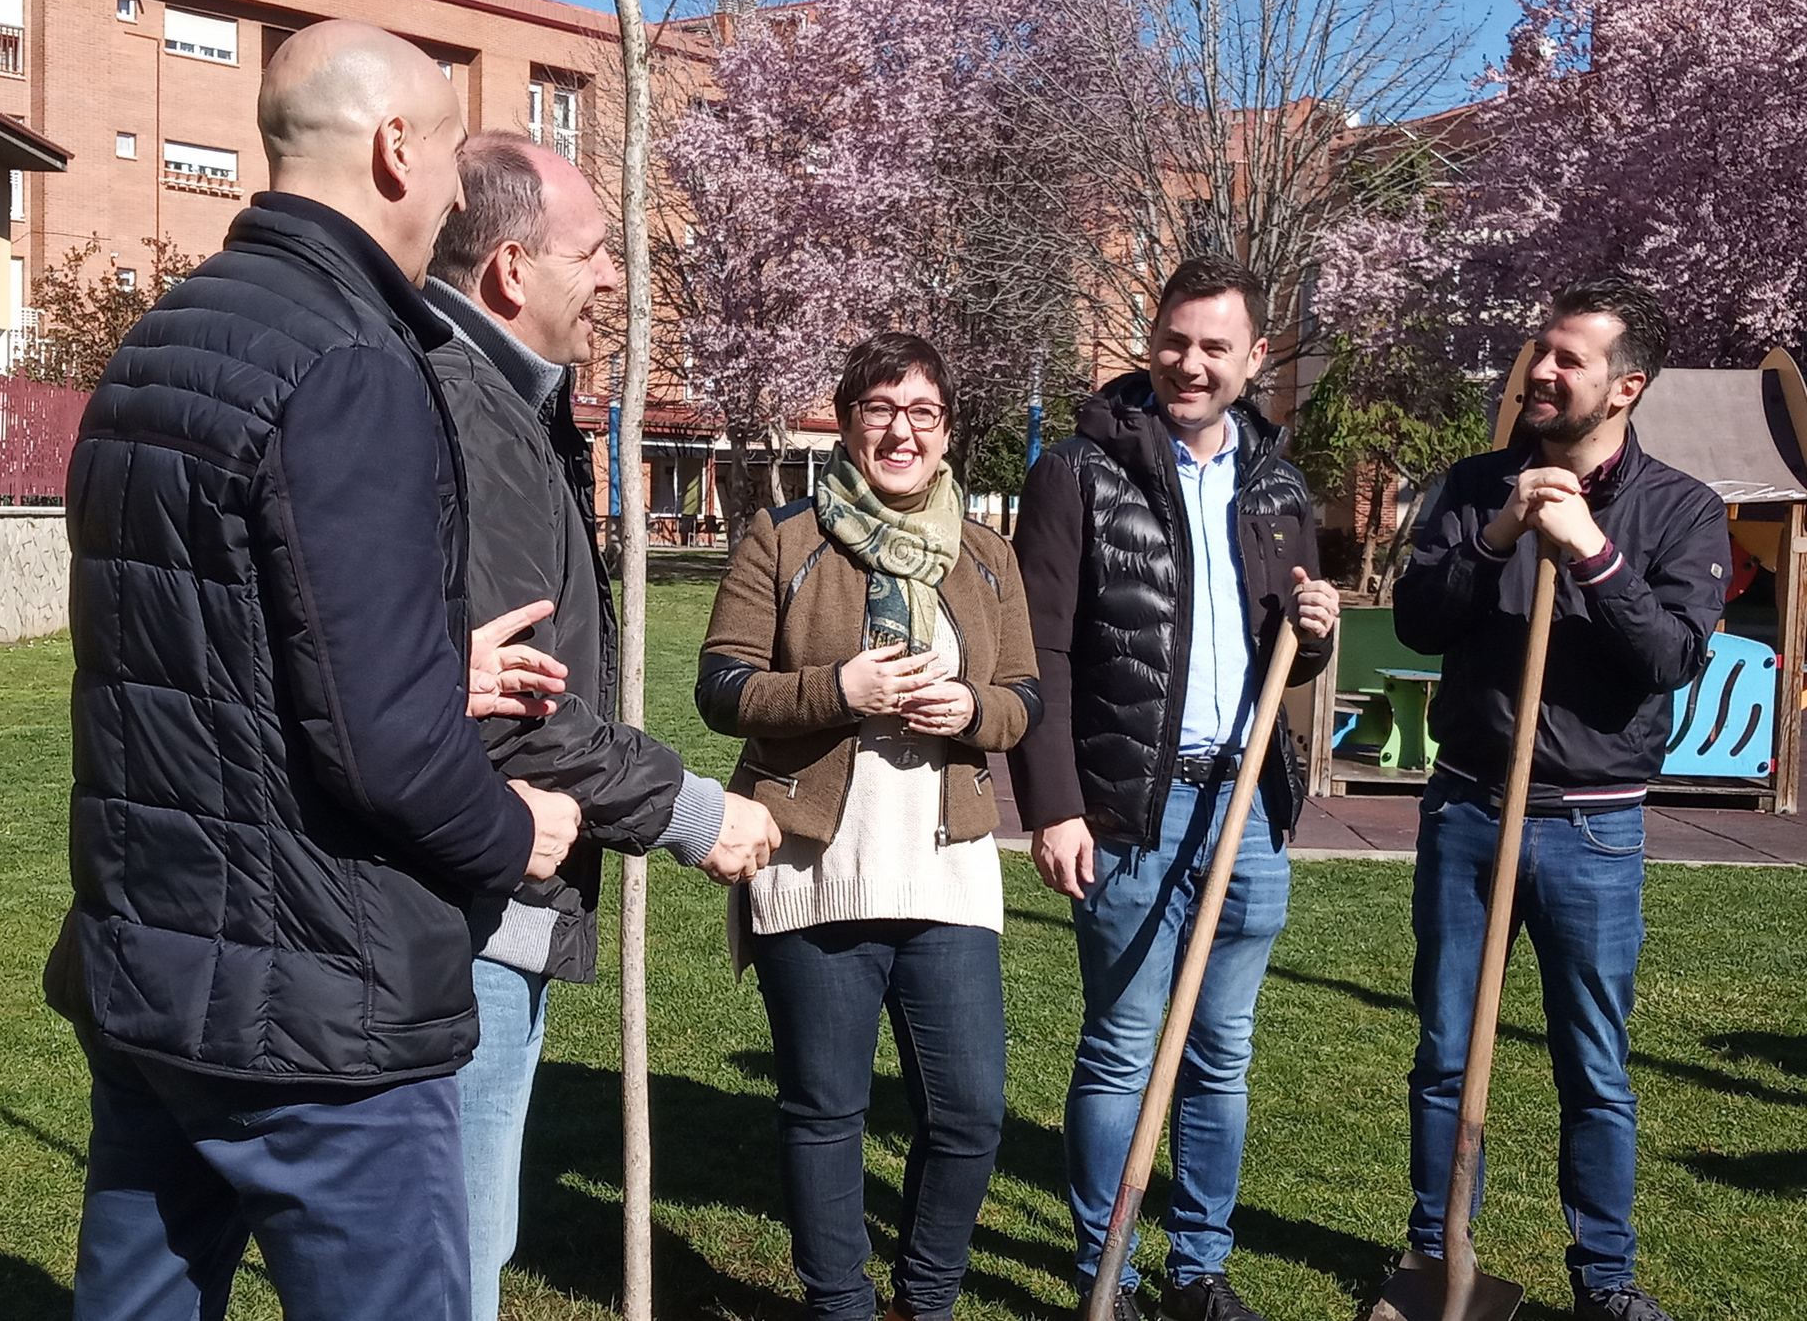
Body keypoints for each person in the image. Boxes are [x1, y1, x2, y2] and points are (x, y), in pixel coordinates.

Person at [44, 21, 582, 1321]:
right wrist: (516, 827)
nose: (459, 191)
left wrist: (411, 660)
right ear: (398, 151)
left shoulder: (162, 337)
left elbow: (201, 638)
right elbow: (386, 744)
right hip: (314, 1007)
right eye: (454, 154)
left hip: (150, 968)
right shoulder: (352, 359)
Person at [422, 131, 782, 1321]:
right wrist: (697, 813)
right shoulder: (467, 410)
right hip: (461, 908)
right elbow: (522, 709)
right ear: (512, 269)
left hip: (479, 901)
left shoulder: (521, 408)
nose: (617, 278)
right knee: (454, 1260)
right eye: (595, 252)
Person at [1008, 255, 1340, 1321]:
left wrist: (1319, 633)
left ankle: (1198, 1269)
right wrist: (1053, 804)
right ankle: (1107, 1272)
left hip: (1246, 805)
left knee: (1223, 1049)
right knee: (1120, 1044)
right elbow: (1039, 654)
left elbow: (1285, 654)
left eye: (1214, 346)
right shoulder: (1078, 469)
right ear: (1152, 341)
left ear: (1254, 359)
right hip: (1131, 805)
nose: (1189, 363)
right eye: (1174, 339)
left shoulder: (1279, 486)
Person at [1392, 278, 1728, 1321]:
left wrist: (1591, 550)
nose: (1542, 369)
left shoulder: (1680, 509)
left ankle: (1606, 1281)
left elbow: (1669, 655)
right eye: (1541, 350)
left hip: (1592, 824)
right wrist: (1496, 536)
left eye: (1569, 358)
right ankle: (1433, 1254)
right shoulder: (1472, 483)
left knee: (1594, 1063)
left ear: (1626, 385)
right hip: (1468, 809)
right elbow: (1415, 620)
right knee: (1447, 1050)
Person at [696, 332, 1041, 1321]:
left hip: (946, 872)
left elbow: (1021, 699)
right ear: (848, 421)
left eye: (922, 411)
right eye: (880, 408)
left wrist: (970, 713)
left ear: (945, 434)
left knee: (970, 1112)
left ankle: (922, 1301)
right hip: (816, 866)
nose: (901, 428)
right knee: (825, 1110)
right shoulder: (783, 537)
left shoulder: (986, 556)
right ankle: (839, 1304)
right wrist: (838, 689)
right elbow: (721, 684)